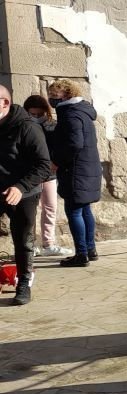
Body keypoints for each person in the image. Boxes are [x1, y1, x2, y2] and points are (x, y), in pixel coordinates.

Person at [0, 86, 53, 305]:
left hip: (24, 191)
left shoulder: (27, 127)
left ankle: (23, 283)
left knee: (23, 239)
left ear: (4, 103)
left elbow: (44, 165)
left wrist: (20, 187)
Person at [47, 79, 102, 267]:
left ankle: (81, 254)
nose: (51, 99)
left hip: (76, 170)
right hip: (86, 168)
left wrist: (57, 161)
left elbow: (74, 144)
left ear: (67, 95)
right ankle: (90, 249)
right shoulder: (82, 112)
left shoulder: (70, 115)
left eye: (54, 96)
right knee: (85, 209)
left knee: (74, 210)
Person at [23, 95, 73, 257]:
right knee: (30, 210)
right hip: (30, 174)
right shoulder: (23, 127)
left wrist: (55, 163)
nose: (36, 117)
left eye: (40, 114)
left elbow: (58, 148)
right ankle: (29, 245)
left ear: (46, 112)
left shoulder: (52, 126)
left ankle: (48, 243)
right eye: (33, 114)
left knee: (50, 207)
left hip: (49, 173)